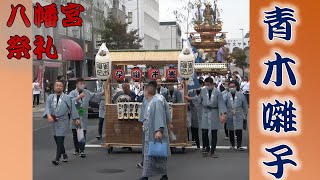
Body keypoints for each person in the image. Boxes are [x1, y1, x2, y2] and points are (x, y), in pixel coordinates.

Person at [185, 77, 227, 157]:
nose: (207, 86)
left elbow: (221, 103)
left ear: (212, 83)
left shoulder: (218, 92)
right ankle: (207, 147)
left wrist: (222, 115)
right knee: (204, 132)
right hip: (205, 112)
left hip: (214, 112)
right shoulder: (203, 90)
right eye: (206, 84)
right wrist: (190, 98)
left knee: (214, 133)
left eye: (208, 84)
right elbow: (198, 99)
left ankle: (213, 151)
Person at [139, 83, 171, 180]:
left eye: (144, 91)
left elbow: (159, 115)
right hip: (150, 131)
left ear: (147, 91)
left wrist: (159, 130)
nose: (143, 93)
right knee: (155, 155)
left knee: (155, 154)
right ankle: (158, 176)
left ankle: (147, 177)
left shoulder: (156, 101)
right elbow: (167, 112)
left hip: (155, 132)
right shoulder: (157, 99)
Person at [43, 81, 80, 165]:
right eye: (57, 85)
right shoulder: (50, 97)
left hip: (63, 120)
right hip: (54, 120)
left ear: (63, 88)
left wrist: (76, 118)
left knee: (60, 139)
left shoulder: (67, 98)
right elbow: (47, 107)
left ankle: (57, 158)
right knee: (56, 139)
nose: (58, 87)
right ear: (54, 87)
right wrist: (48, 116)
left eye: (60, 86)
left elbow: (72, 108)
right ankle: (64, 154)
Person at [68, 78, 104, 157]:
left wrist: (103, 93)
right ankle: (77, 149)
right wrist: (78, 97)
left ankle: (82, 150)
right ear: (76, 85)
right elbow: (69, 102)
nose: (82, 85)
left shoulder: (87, 92)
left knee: (83, 133)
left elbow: (95, 96)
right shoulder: (72, 93)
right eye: (80, 83)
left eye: (83, 83)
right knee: (75, 134)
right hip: (75, 116)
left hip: (83, 116)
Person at [225, 81, 248, 150]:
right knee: (231, 130)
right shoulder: (226, 95)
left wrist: (245, 114)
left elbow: (245, 105)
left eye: (233, 87)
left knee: (239, 130)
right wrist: (223, 114)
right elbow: (222, 105)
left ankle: (239, 145)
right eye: (230, 87)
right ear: (228, 87)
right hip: (229, 114)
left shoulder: (241, 95)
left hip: (239, 114)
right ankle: (232, 145)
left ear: (236, 87)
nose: (232, 88)